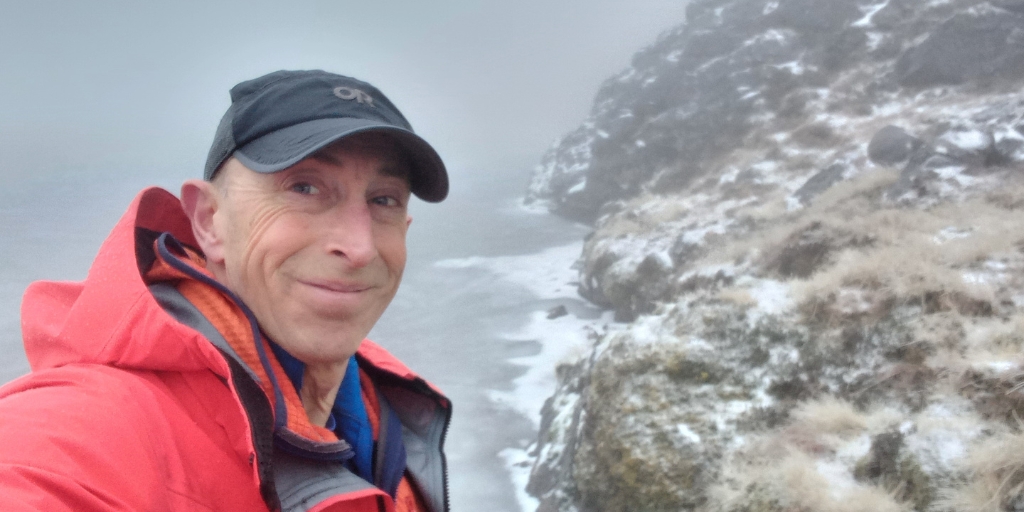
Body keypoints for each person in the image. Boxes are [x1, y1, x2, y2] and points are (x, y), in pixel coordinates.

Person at [0, 70, 451, 512]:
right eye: (305, 187)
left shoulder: (388, 424)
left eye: (384, 199)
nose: (359, 247)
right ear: (209, 220)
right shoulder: (87, 432)